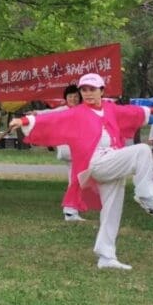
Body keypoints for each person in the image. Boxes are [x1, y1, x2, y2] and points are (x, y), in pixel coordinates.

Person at [8, 73, 153, 271]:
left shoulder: (110, 109)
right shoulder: (77, 112)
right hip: (96, 163)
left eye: (92, 89)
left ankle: (106, 256)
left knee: (112, 210)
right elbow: (52, 118)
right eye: (84, 90)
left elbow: (131, 112)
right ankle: (145, 194)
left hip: (113, 159)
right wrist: (24, 121)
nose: (87, 93)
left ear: (102, 91)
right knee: (143, 150)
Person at [36, 84, 91, 222]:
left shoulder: (83, 110)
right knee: (77, 180)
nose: (73, 99)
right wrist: (35, 113)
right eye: (70, 96)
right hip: (70, 151)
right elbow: (46, 114)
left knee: (77, 180)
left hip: (77, 151)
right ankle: (71, 211)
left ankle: (71, 211)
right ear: (66, 98)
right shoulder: (64, 110)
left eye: (75, 96)